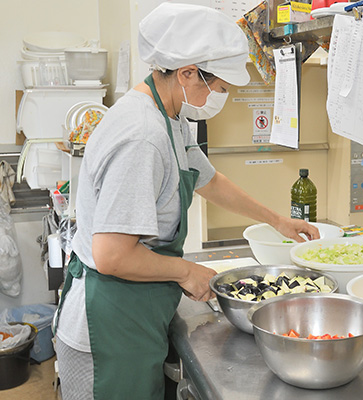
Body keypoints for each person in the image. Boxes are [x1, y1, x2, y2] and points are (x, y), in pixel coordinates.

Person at [53, 3, 319, 399]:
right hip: (106, 329)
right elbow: (112, 255)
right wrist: (184, 271)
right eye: (221, 88)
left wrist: (277, 221)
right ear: (187, 73)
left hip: (131, 317)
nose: (222, 97)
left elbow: (208, 179)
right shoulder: (142, 137)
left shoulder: (169, 115)